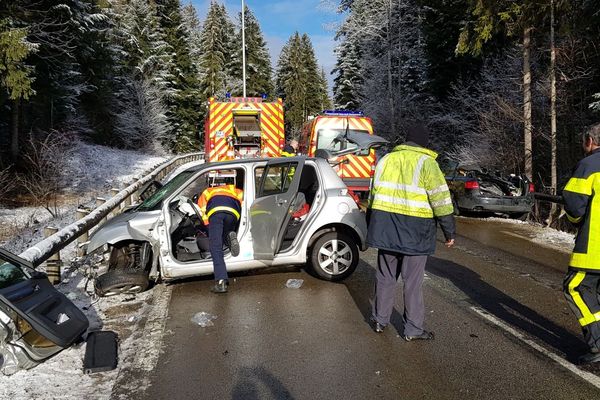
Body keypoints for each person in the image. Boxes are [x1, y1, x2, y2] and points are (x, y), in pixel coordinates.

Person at [367, 123, 455, 341]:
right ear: (424, 143)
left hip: (386, 229)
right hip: (416, 233)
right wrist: (449, 231)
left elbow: (373, 195)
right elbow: (441, 201)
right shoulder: (428, 163)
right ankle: (413, 330)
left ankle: (380, 320)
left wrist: (372, 224)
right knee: (413, 283)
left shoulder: (386, 160)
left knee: (385, 277)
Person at [562, 123, 600, 364]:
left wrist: (575, 221)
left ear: (589, 141)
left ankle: (597, 343)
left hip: (594, 248)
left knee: (574, 287)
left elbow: (574, 206)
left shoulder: (588, 165)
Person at [197, 181, 243, 293]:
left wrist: (209, 231)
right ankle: (229, 235)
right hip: (233, 214)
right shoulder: (236, 190)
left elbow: (203, 212)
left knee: (216, 246)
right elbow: (243, 204)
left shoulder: (207, 191)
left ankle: (221, 282)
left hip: (216, 213)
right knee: (226, 230)